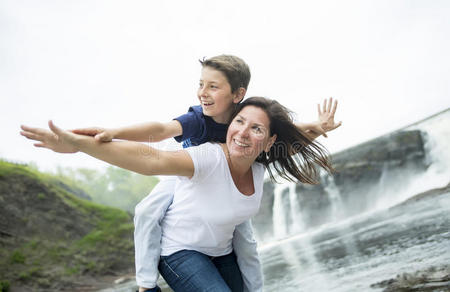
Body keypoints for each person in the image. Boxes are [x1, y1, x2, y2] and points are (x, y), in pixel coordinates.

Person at [50, 55, 340, 292]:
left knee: (245, 237)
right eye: (201, 84)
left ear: (237, 94)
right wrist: (110, 133)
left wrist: (317, 126)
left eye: (213, 86)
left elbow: (282, 138)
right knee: (147, 211)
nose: (203, 92)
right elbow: (160, 134)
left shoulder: (248, 120)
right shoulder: (197, 120)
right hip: (186, 172)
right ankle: (145, 284)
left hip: (220, 192)